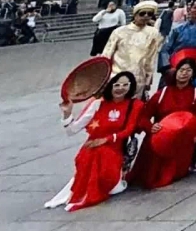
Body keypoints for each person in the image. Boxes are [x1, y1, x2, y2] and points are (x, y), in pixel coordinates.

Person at [45, 71, 144, 212]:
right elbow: (72, 130)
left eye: (125, 85)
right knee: (89, 155)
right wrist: (67, 113)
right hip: (92, 145)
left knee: (102, 158)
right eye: (116, 84)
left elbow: (128, 130)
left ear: (131, 86)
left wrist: (106, 139)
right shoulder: (97, 104)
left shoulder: (135, 105)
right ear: (110, 86)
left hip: (113, 148)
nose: (120, 88)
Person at [129, 54, 196, 189]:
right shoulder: (162, 93)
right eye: (181, 70)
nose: (184, 74)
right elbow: (143, 117)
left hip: (180, 140)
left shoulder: (195, 94)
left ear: (193, 74)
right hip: (160, 137)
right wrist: (151, 127)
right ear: (175, 72)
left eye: (188, 70)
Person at [102, 1, 162, 95]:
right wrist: (102, 78)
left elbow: (151, 57)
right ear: (135, 15)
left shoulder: (153, 33)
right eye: (142, 13)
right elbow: (106, 54)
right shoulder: (119, 32)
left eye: (149, 14)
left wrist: (149, 78)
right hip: (117, 76)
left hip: (138, 78)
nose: (146, 16)